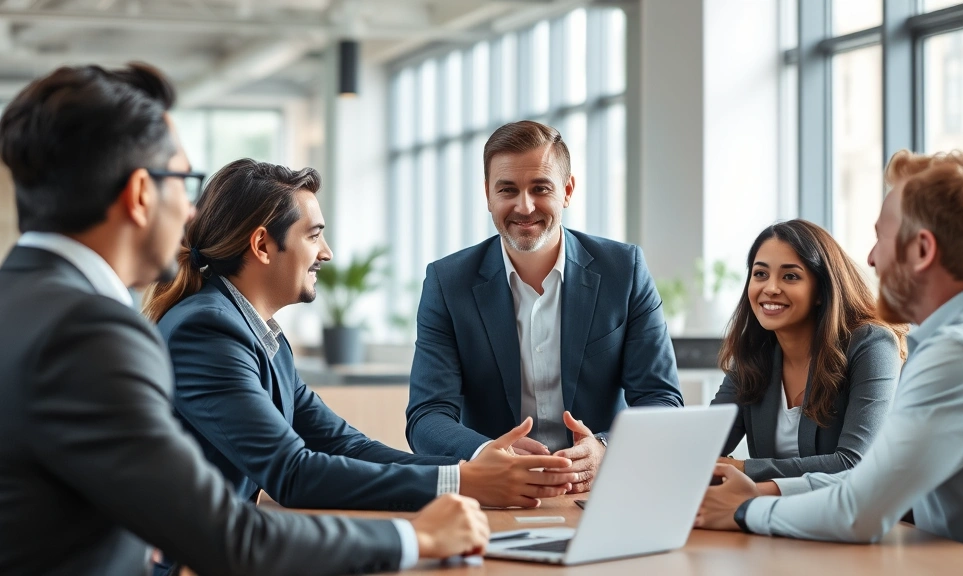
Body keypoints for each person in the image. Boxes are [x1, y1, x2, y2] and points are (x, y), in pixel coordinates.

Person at [0, 63, 488, 576]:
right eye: (185, 182)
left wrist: (462, 472)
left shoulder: (26, 304)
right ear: (141, 194)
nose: (191, 213)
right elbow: (228, 535)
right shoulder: (92, 332)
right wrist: (418, 535)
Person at [143, 158, 575, 532]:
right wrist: (463, 484)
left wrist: (466, 470)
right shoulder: (208, 332)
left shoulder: (258, 332)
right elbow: (293, 474)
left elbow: (342, 444)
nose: (326, 253)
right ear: (262, 245)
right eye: (313, 235)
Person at [696, 150, 963, 562]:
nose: (871, 259)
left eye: (881, 238)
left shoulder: (961, 355)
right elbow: (869, 483)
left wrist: (744, 509)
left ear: (922, 249)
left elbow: (858, 510)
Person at [406, 120, 683, 493]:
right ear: (488, 195)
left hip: (604, 488)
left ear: (567, 191)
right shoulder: (447, 283)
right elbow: (427, 416)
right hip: (498, 493)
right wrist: (485, 450)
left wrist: (606, 448)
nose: (524, 206)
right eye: (508, 189)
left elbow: (662, 400)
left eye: (540, 188)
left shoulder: (624, 271)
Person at [711, 219, 905, 482]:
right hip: (769, 516)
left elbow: (854, 464)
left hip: (851, 519)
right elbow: (705, 450)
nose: (770, 288)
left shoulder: (871, 345)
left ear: (821, 291)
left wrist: (743, 469)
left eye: (790, 276)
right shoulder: (754, 353)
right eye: (760, 274)